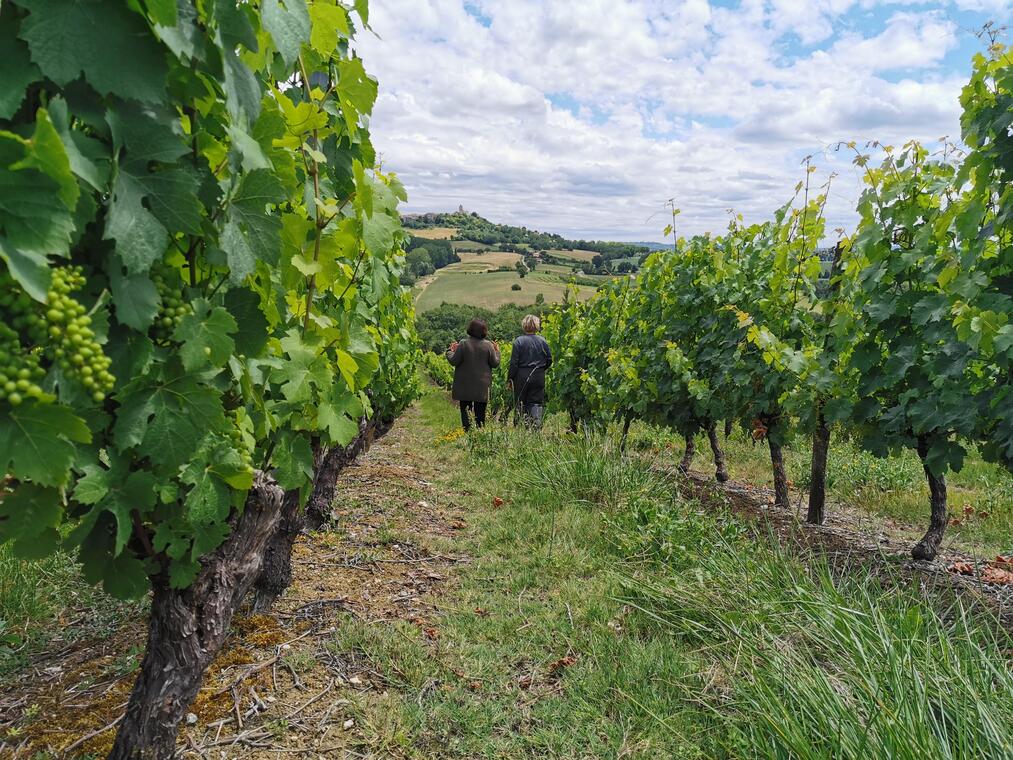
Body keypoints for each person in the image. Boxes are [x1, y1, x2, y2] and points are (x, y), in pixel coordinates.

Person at [446, 318, 500, 431]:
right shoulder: (489, 345)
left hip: (465, 386)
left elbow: (454, 361)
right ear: (484, 331)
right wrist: (497, 351)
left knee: (466, 411)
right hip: (482, 387)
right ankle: (480, 433)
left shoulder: (463, 344)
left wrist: (450, 351)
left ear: (470, 329)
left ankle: (468, 433)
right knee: (480, 413)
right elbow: (495, 363)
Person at [508, 314, 552, 428]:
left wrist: (510, 378)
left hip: (521, 375)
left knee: (520, 402)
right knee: (536, 403)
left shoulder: (519, 341)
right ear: (536, 326)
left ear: (524, 326)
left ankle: (520, 428)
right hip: (538, 375)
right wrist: (541, 369)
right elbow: (549, 359)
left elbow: (514, 363)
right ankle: (535, 428)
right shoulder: (543, 341)